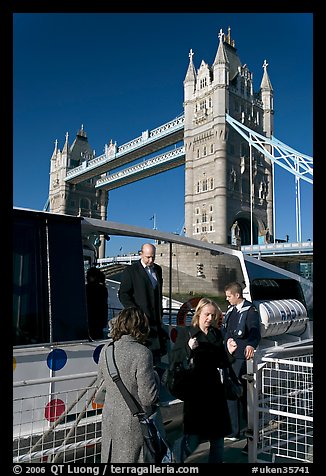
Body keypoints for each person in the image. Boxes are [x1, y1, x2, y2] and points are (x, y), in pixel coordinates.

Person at [170, 298, 238, 463]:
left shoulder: (216, 334)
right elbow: (175, 360)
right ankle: (171, 460)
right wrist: (188, 349)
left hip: (214, 392)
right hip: (196, 393)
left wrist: (229, 352)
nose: (210, 319)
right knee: (192, 439)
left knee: (217, 439)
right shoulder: (186, 333)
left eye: (213, 316)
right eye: (207, 315)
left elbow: (221, 363)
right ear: (199, 313)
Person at [96, 307, 161, 463]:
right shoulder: (142, 353)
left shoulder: (106, 350)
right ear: (142, 327)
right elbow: (147, 398)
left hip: (110, 418)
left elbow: (101, 384)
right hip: (133, 423)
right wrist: (157, 377)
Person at [222, 282, 261, 452]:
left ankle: (251, 432)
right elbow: (226, 330)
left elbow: (254, 331)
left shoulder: (250, 310)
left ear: (237, 295)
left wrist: (251, 344)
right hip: (230, 356)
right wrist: (227, 340)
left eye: (229, 296)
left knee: (245, 395)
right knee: (230, 393)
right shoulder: (231, 310)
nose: (227, 299)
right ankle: (233, 429)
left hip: (242, 359)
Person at [118, 243, 168, 365]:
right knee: (142, 360)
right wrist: (135, 313)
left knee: (156, 360)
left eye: (153, 257)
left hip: (156, 322)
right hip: (140, 323)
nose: (151, 260)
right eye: (148, 257)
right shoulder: (130, 271)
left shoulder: (158, 270)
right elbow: (123, 294)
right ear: (141, 254)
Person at [86, 267, 108, 340]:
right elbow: (104, 306)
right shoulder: (103, 289)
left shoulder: (86, 288)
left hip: (89, 318)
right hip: (99, 320)